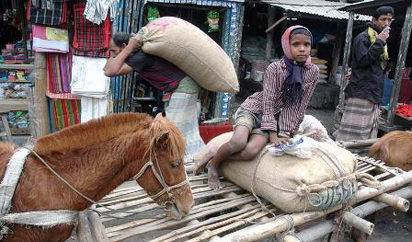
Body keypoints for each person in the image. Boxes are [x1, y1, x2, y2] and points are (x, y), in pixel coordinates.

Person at [194, 26, 319, 190]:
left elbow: (300, 103)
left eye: (307, 45)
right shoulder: (274, 69)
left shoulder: (313, 71)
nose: (302, 49)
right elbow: (268, 101)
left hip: (273, 119)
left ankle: (215, 157)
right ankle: (214, 167)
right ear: (287, 46)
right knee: (238, 142)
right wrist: (273, 135)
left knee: (250, 152)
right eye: (296, 44)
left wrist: (292, 131)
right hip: (254, 110)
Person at [103, 32, 205, 161]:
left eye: (114, 51)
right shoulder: (135, 55)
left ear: (124, 46)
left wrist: (128, 48)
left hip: (183, 87)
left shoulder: (141, 56)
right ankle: (197, 159)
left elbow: (110, 71)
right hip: (183, 86)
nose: (114, 56)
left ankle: (188, 162)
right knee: (186, 129)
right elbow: (107, 69)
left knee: (176, 130)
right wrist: (121, 51)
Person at [335, 6, 394, 142]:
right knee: (353, 132)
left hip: (373, 91)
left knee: (367, 131)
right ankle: (346, 157)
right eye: (383, 19)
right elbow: (363, 61)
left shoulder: (381, 40)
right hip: (361, 91)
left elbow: (375, 64)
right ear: (374, 20)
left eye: (389, 20)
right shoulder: (364, 38)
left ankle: (360, 158)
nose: (386, 23)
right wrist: (380, 41)